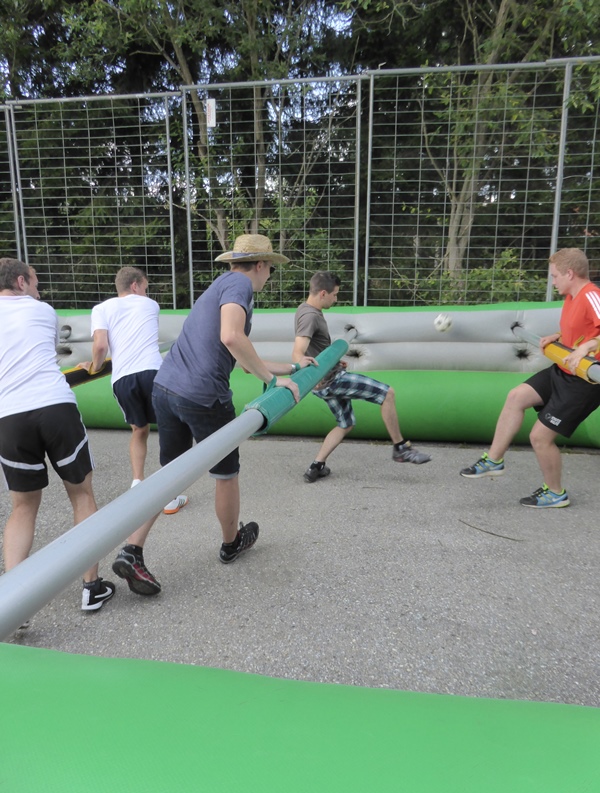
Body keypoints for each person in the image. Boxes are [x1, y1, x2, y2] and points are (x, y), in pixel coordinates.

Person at [110, 234, 316, 596]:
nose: (269, 276)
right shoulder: (240, 285)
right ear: (261, 265)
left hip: (166, 387)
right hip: (203, 395)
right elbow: (232, 337)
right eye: (270, 269)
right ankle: (231, 543)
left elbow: (242, 357)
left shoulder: (220, 285)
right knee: (226, 473)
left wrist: (293, 367)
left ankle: (132, 550)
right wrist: (274, 382)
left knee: (169, 476)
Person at [0, 258, 114, 617]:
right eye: (34, 282)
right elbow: (42, 357)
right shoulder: (43, 311)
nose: (38, 290)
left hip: (8, 415)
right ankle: (91, 588)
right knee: (81, 494)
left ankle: (13, 606)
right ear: (21, 282)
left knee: (23, 507)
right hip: (54, 406)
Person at [460, 247, 600, 508]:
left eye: (555, 276)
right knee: (516, 397)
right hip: (563, 370)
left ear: (570, 273)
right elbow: (585, 329)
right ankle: (494, 460)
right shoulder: (572, 297)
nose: (553, 281)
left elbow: (594, 336)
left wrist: (586, 348)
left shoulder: (592, 295)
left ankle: (556, 493)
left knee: (540, 438)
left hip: (585, 381)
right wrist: (559, 337)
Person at [292, 271, 431, 483]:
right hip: (332, 381)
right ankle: (400, 448)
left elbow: (315, 348)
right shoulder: (310, 316)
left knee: (345, 423)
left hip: (324, 382)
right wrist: (311, 374)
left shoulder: (305, 309)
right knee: (387, 394)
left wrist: (333, 361)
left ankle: (316, 466)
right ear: (323, 293)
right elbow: (298, 352)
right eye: (334, 294)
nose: (336, 299)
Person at [88, 266, 187, 514]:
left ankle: (137, 483)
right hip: (153, 372)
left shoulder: (100, 309)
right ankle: (170, 495)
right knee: (169, 429)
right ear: (135, 285)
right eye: (144, 287)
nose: (146, 292)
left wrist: (93, 367)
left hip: (123, 378)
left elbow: (100, 346)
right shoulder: (150, 305)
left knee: (139, 430)